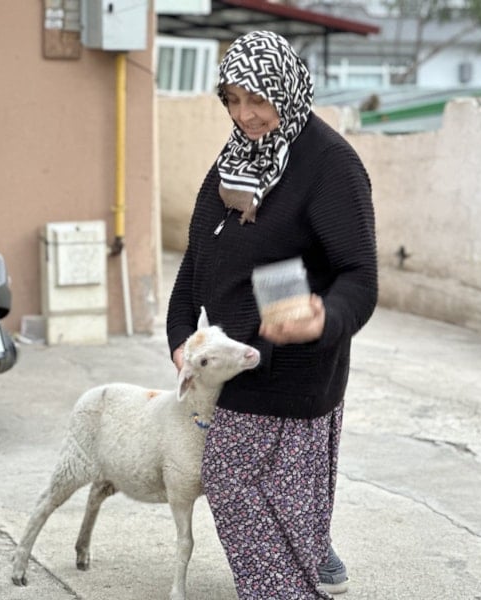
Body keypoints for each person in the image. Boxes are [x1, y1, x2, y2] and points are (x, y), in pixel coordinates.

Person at [166, 30, 377, 600]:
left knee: (236, 483)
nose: (245, 114)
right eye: (232, 100)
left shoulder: (331, 165)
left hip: (295, 367)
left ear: (287, 89)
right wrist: (180, 333)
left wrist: (323, 318)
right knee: (274, 500)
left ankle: (293, 579)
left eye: (258, 99)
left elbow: (359, 276)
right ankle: (310, 560)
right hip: (230, 359)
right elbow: (199, 254)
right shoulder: (239, 156)